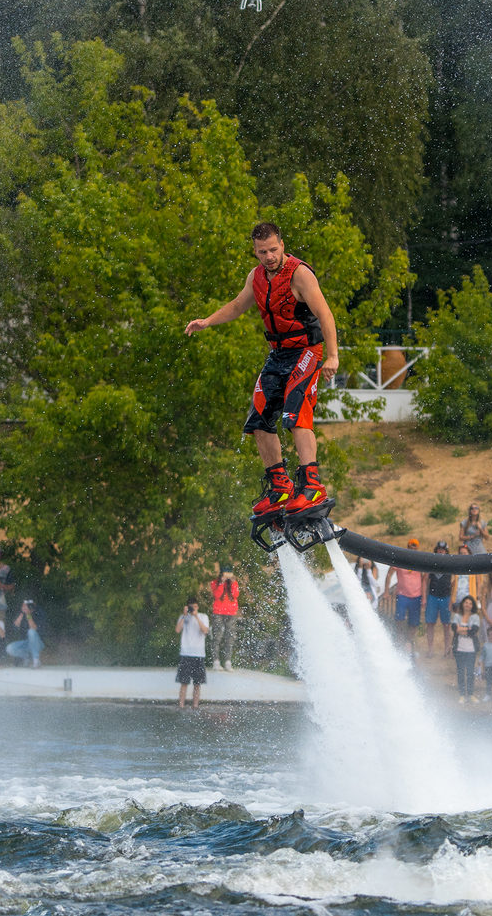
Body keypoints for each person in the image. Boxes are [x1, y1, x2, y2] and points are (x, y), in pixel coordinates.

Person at [185, 222, 340, 518]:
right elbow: (236, 306)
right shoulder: (255, 277)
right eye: (262, 252)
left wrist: (332, 356)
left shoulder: (300, 274)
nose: (269, 256)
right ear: (254, 251)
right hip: (278, 354)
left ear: (282, 244)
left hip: (306, 350)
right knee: (258, 419)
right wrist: (207, 321)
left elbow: (325, 315)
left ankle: (312, 484)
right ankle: (280, 486)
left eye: (273, 249)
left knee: (295, 415)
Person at [385, 540, 425, 652]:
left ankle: (409, 640)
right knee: (399, 619)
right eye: (411, 546)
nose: (413, 548)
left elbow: (425, 578)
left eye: (415, 546)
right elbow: (389, 574)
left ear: (417, 548)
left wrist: (424, 596)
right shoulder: (400, 559)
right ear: (407, 546)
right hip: (402, 595)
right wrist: (386, 591)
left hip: (416, 595)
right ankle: (400, 639)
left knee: (414, 622)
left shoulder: (420, 560)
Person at [175, 597, 210, 708]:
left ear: (198, 606)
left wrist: (196, 617)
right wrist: (185, 615)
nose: (193, 609)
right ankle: (181, 705)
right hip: (186, 653)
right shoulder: (183, 617)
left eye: (195, 607)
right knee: (184, 682)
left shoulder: (203, 617)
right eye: (191, 607)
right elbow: (177, 630)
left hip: (198, 654)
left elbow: (205, 631)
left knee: (197, 683)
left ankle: (195, 706)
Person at [209, 563, 242, 671]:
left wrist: (232, 582)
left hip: (231, 612)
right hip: (218, 611)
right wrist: (222, 582)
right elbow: (217, 595)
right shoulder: (215, 582)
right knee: (217, 636)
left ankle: (228, 661)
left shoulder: (234, 583)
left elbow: (236, 594)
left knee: (230, 637)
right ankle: (216, 661)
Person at [424, 543, 454, 655]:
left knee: (447, 625)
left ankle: (447, 649)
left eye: (443, 550)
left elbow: (454, 582)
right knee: (430, 623)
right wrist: (424, 597)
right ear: (436, 551)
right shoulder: (431, 563)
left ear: (446, 552)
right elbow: (425, 580)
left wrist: (452, 598)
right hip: (433, 596)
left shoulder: (450, 564)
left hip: (446, 597)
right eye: (439, 550)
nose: (441, 552)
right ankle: (430, 649)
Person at [452, 596, 481, 703]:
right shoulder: (457, 616)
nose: (467, 604)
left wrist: (461, 629)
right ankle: (462, 695)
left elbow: (473, 631)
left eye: (470, 603)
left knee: (469, 672)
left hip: (471, 649)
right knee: (460, 672)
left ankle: (471, 694)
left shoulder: (475, 617)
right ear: (462, 604)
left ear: (472, 605)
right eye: (466, 602)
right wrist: (466, 629)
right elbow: (454, 628)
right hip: (459, 648)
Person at [6, 599, 43, 668]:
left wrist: (28, 615)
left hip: (38, 643)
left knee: (31, 632)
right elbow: (15, 627)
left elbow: (33, 628)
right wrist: (22, 613)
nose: (27, 607)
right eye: (24, 606)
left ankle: (36, 660)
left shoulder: (38, 613)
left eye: (29, 606)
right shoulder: (21, 614)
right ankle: (27, 657)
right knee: (9, 648)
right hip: (25, 643)